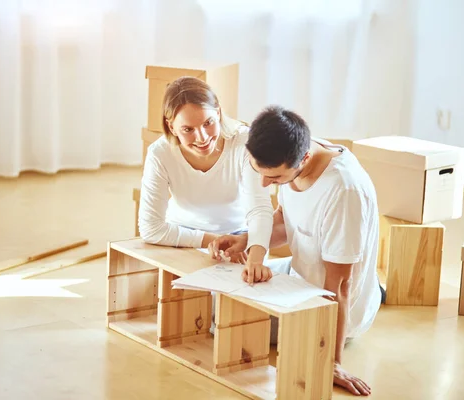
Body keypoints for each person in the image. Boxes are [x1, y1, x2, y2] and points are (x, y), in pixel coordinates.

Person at [209, 105, 383, 397]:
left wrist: (331, 361)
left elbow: (340, 284)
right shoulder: (296, 151)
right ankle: (377, 287)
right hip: (300, 273)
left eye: (274, 179)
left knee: (223, 324)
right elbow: (286, 222)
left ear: (303, 159)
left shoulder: (343, 191)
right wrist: (246, 240)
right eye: (258, 172)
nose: (265, 184)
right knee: (214, 299)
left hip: (330, 301)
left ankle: (373, 294)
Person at [138, 76, 274, 283]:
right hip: (183, 236)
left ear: (218, 113)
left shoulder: (244, 142)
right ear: (172, 127)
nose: (202, 137)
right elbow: (151, 228)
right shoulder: (160, 153)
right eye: (188, 129)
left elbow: (260, 208)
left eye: (208, 123)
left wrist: (251, 250)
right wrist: (213, 241)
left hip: (240, 237)